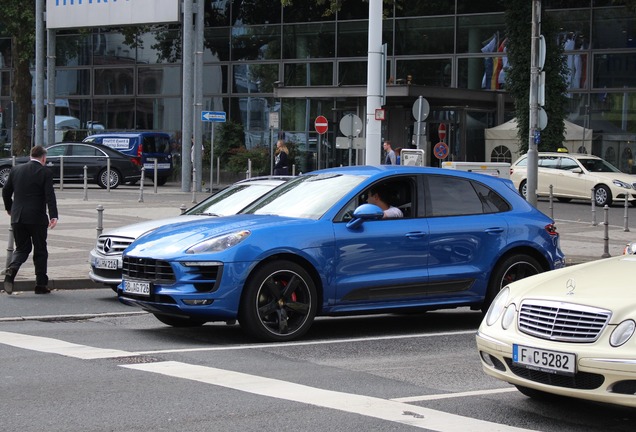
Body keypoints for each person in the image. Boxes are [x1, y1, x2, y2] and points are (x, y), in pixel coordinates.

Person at [2, 145, 58, 295]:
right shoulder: (45, 172)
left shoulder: (16, 170)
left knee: (22, 248)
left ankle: (12, 270)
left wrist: (10, 208)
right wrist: (53, 215)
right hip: (36, 218)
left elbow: (6, 191)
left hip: (17, 217)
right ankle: (40, 285)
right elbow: (49, 195)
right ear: (43, 158)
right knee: (40, 249)